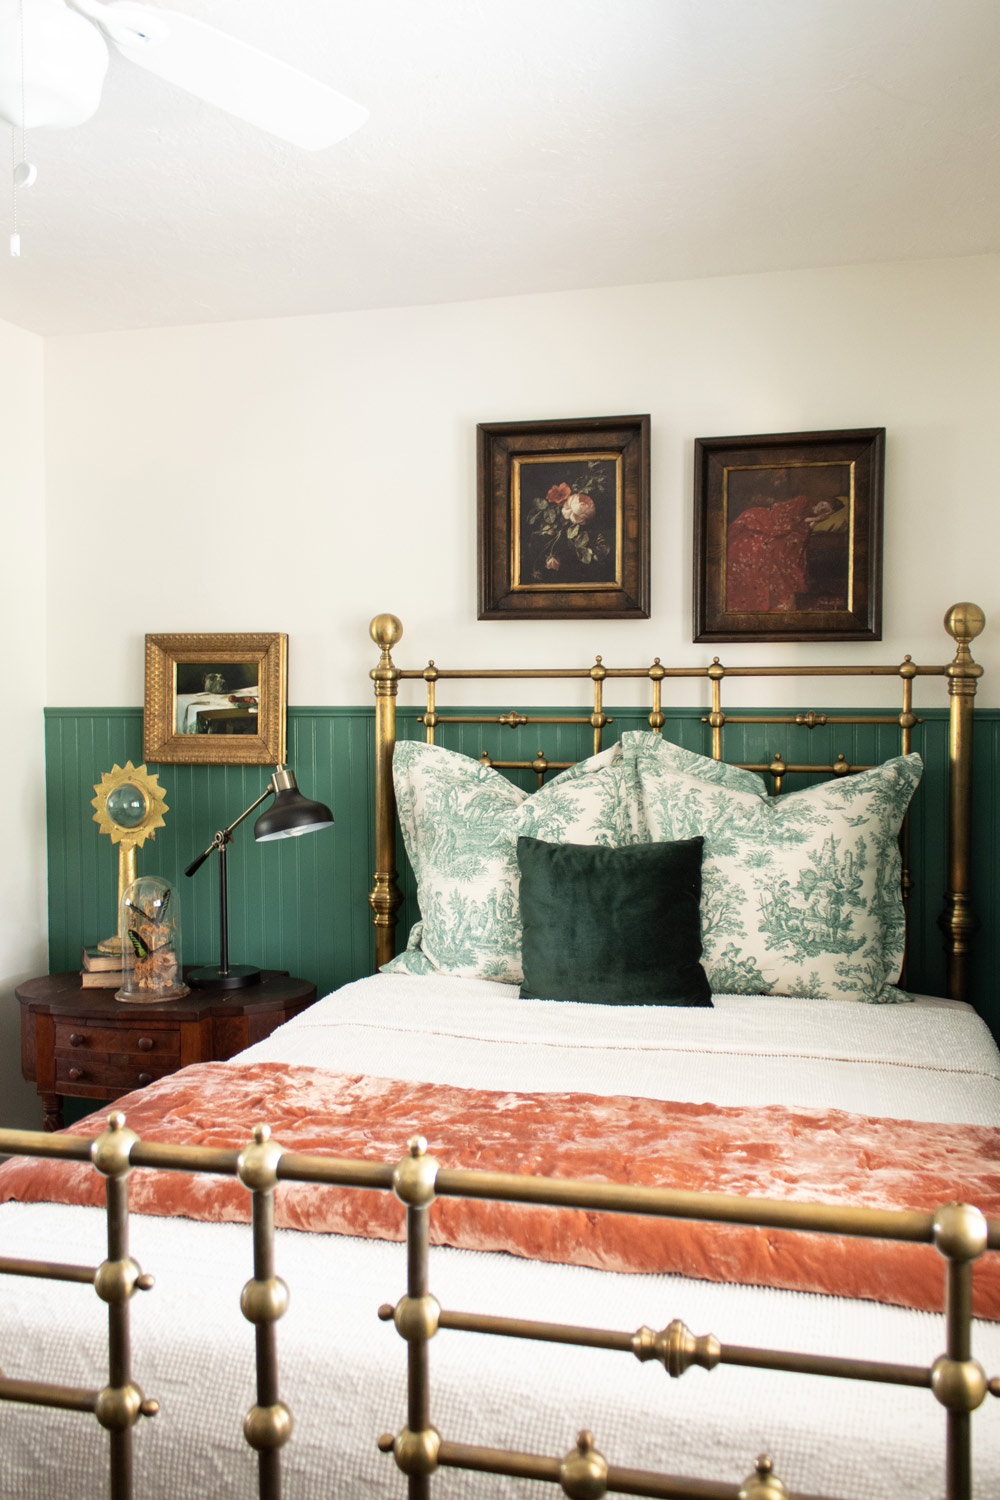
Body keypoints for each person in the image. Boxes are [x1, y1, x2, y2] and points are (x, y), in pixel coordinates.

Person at [725, 493, 834, 612]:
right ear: (819, 501)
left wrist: (817, 520)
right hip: (769, 518)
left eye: (826, 509)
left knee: (773, 547)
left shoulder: (814, 518)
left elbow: (803, 530)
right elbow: (784, 517)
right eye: (823, 504)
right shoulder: (803, 501)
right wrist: (815, 519)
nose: (822, 508)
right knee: (753, 532)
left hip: (784, 530)